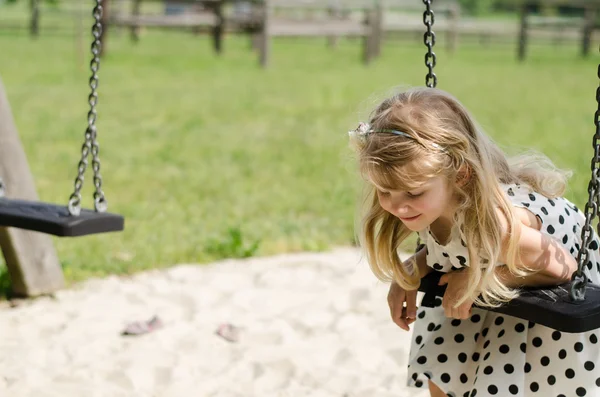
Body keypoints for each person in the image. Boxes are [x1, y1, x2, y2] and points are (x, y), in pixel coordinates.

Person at [348, 87, 600, 397]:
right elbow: (448, 246)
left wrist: (480, 278)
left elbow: (563, 268)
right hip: (490, 270)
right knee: (443, 376)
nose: (398, 207)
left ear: (460, 176)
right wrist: (412, 269)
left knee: (523, 381)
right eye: (385, 192)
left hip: (543, 278)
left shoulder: (499, 224)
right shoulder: (432, 204)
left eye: (413, 193)